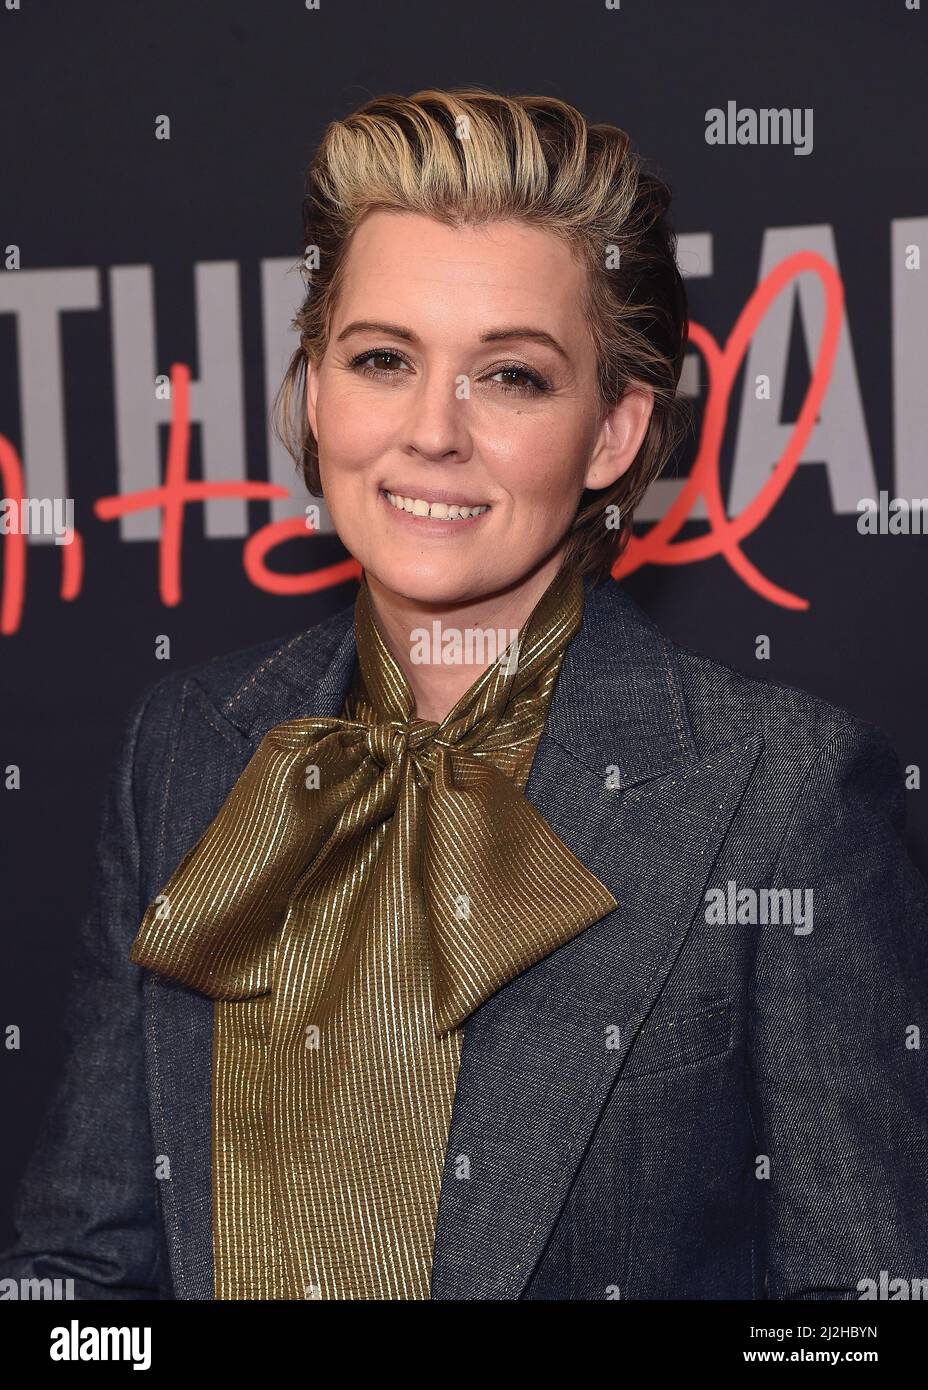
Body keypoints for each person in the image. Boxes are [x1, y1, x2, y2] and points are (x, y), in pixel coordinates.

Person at [2, 86, 926, 1301]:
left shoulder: (785, 791)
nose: (431, 433)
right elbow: (78, 1273)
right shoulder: (188, 744)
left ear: (610, 435)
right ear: (316, 390)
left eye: (511, 378)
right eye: (382, 359)